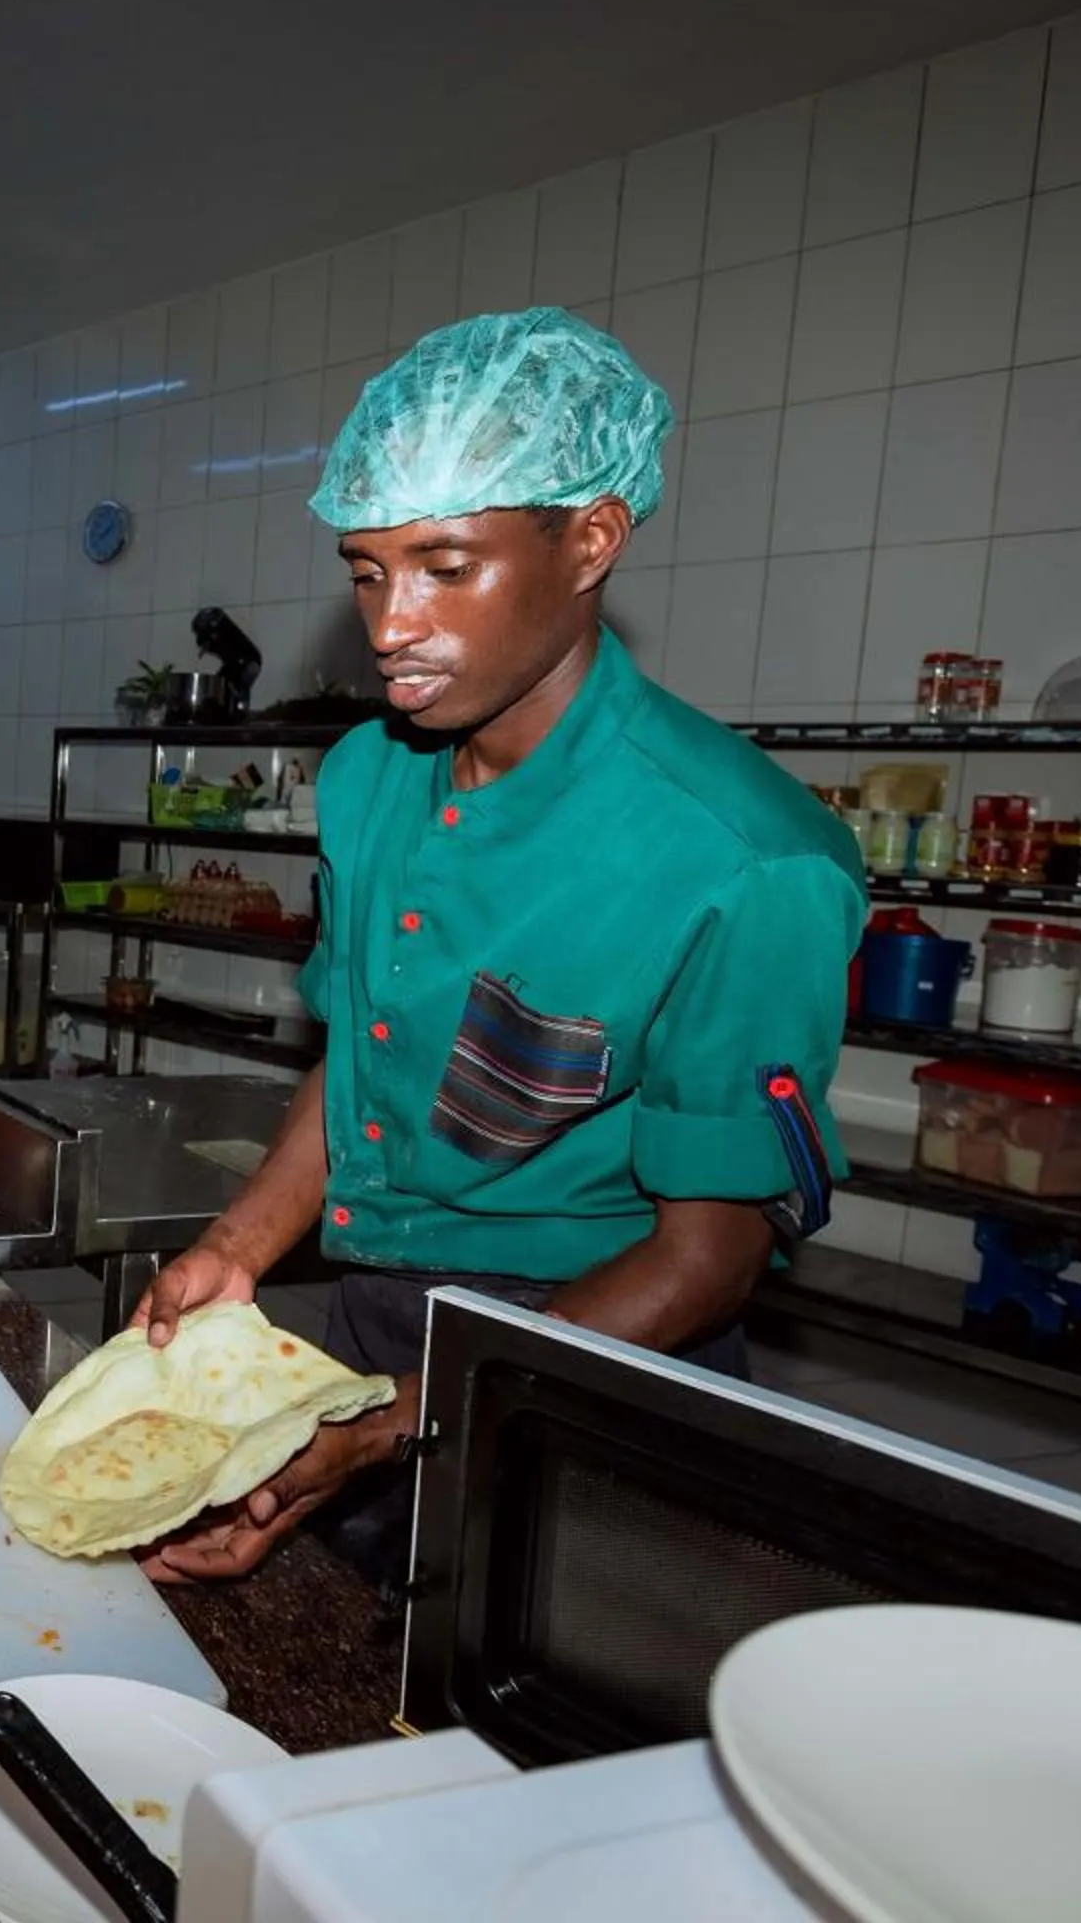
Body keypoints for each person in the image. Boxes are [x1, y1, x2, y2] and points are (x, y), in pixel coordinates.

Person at [133, 308, 863, 1588]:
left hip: (595, 1379)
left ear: (591, 539)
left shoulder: (743, 856)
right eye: (367, 569)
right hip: (374, 1323)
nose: (389, 625)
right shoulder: (369, 777)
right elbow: (359, 1059)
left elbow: (709, 1258)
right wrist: (239, 1249)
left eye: (447, 566)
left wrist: (389, 1418)